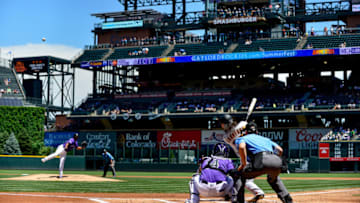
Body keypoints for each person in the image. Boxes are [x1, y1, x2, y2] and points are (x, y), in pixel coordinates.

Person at [234, 121, 293, 203]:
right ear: (257, 132)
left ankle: (238, 201)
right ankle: (287, 199)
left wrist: (243, 164)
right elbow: (280, 150)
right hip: (277, 160)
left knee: (239, 175)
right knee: (273, 179)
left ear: (246, 131)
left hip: (261, 159)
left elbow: (241, 146)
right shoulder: (266, 139)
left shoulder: (242, 138)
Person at [219, 115, 265, 203]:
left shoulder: (226, 137)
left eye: (223, 124)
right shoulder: (242, 125)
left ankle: (258, 192)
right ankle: (230, 195)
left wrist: (242, 125)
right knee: (239, 177)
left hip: (246, 157)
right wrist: (244, 124)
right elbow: (249, 128)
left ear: (226, 124)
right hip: (252, 155)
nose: (222, 126)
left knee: (242, 179)